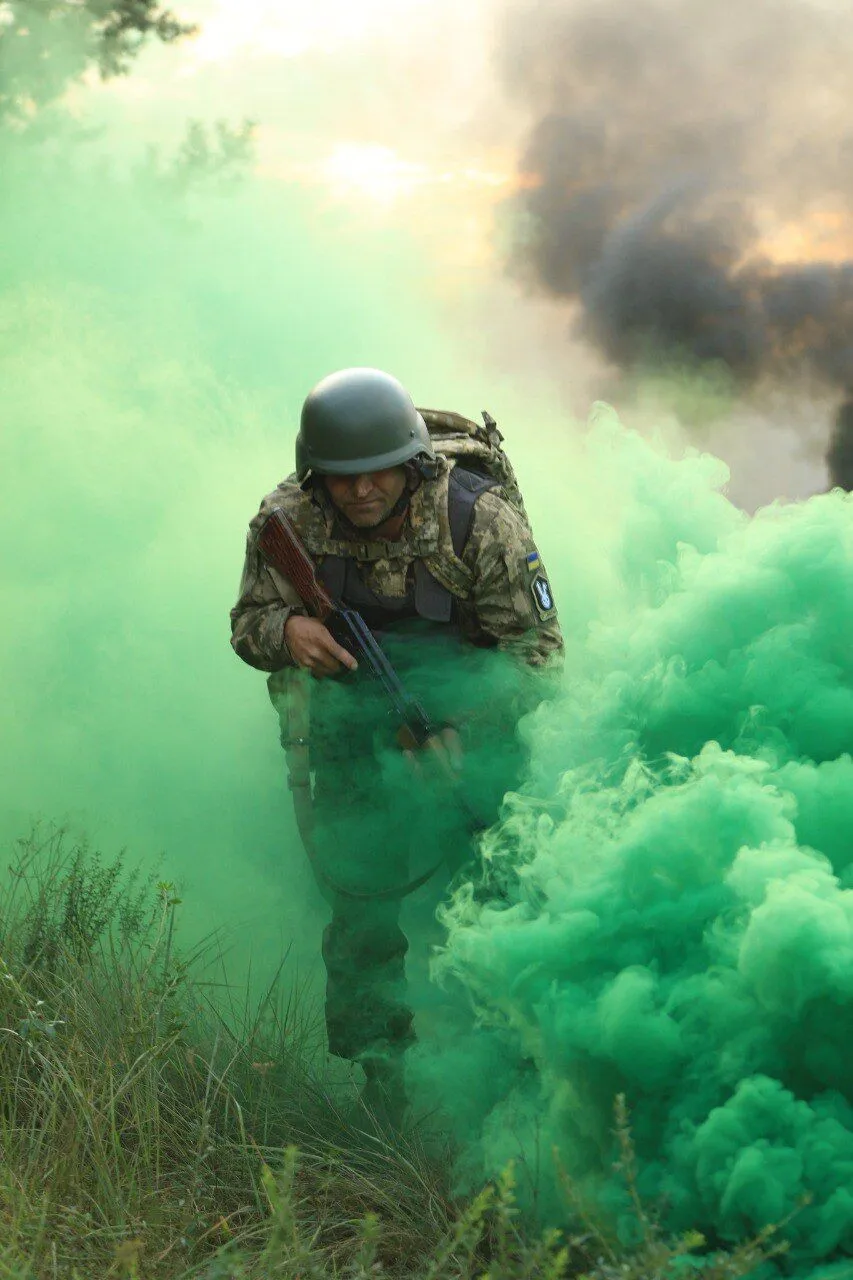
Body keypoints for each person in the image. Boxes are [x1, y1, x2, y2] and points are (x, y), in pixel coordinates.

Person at [230, 367, 562, 1120]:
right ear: (318, 477)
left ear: (411, 461)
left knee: (498, 885)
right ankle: (384, 1083)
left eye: (377, 472)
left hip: (473, 727)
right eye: (341, 479)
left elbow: (539, 657)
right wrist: (288, 631)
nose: (360, 492)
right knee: (357, 901)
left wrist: (464, 731)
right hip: (351, 728)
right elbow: (246, 623)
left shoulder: (476, 522)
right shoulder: (289, 522)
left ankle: (521, 1067)